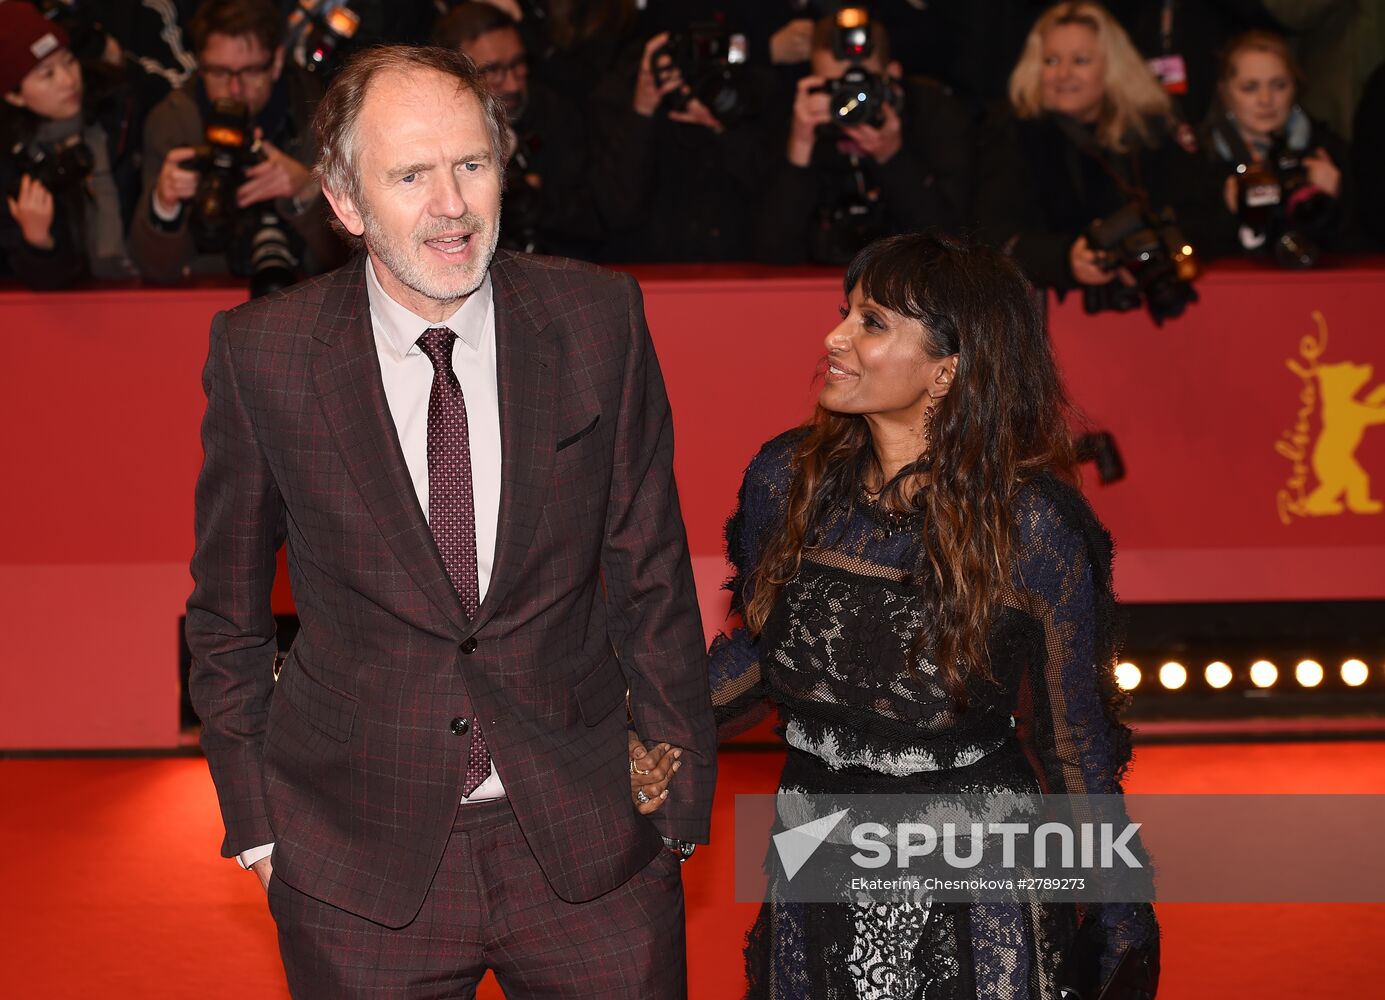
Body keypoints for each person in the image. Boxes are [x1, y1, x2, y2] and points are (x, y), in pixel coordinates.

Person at [186, 44, 716, 998]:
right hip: (355, 856)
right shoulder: (262, 355)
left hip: (591, 839)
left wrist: (675, 808)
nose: (453, 205)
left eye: (472, 164)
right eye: (411, 174)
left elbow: (652, 573)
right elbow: (225, 614)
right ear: (346, 204)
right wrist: (259, 828)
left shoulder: (596, 319)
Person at [709, 233, 1159, 998]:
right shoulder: (787, 479)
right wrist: (633, 720)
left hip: (971, 876)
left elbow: (1072, 742)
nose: (835, 338)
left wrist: (1118, 916)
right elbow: (761, 651)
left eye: (872, 322)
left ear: (948, 366)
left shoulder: (1031, 525)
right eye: (844, 313)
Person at [974, 0, 1227, 297]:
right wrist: (1066, 258)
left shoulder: (1151, 130)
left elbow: (1205, 214)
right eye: (1051, 61)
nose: (1063, 73)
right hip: (1056, 314)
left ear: (1111, 67)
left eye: (1080, 61)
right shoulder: (1011, 134)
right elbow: (992, 235)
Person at [128, 0, 342, 285]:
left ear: (277, 62)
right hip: (207, 296)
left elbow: (352, 264)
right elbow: (155, 269)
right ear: (200, 65)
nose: (234, 88)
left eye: (250, 71)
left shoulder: (324, 118)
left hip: (306, 293)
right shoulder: (173, 122)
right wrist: (165, 208)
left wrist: (308, 193)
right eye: (218, 72)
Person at [753, 12, 973, 265]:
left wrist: (893, 157)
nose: (850, 104)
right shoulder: (793, 119)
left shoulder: (933, 114)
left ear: (893, 75)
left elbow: (951, 246)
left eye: (863, 89)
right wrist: (800, 149)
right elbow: (772, 253)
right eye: (836, 89)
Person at [0, 2, 164, 288]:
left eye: (68, 61)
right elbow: (44, 285)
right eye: (46, 75)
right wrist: (38, 243)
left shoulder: (122, 109)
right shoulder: (13, 163)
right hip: (79, 310)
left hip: (151, 286)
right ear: (15, 96)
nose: (68, 81)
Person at [432, 2, 603, 258]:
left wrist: (534, 202)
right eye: (493, 71)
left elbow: (599, 219)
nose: (512, 83)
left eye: (518, 64)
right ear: (453, 75)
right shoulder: (429, 134)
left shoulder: (555, 115)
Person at [1200, 29, 1357, 263]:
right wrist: (1229, 213)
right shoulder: (1199, 158)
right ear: (1224, 92)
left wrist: (1330, 202)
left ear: (1295, 87)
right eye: (1250, 87)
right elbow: (1183, 249)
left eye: (1279, 85)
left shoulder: (1327, 152)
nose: (1265, 100)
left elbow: (1363, 248)